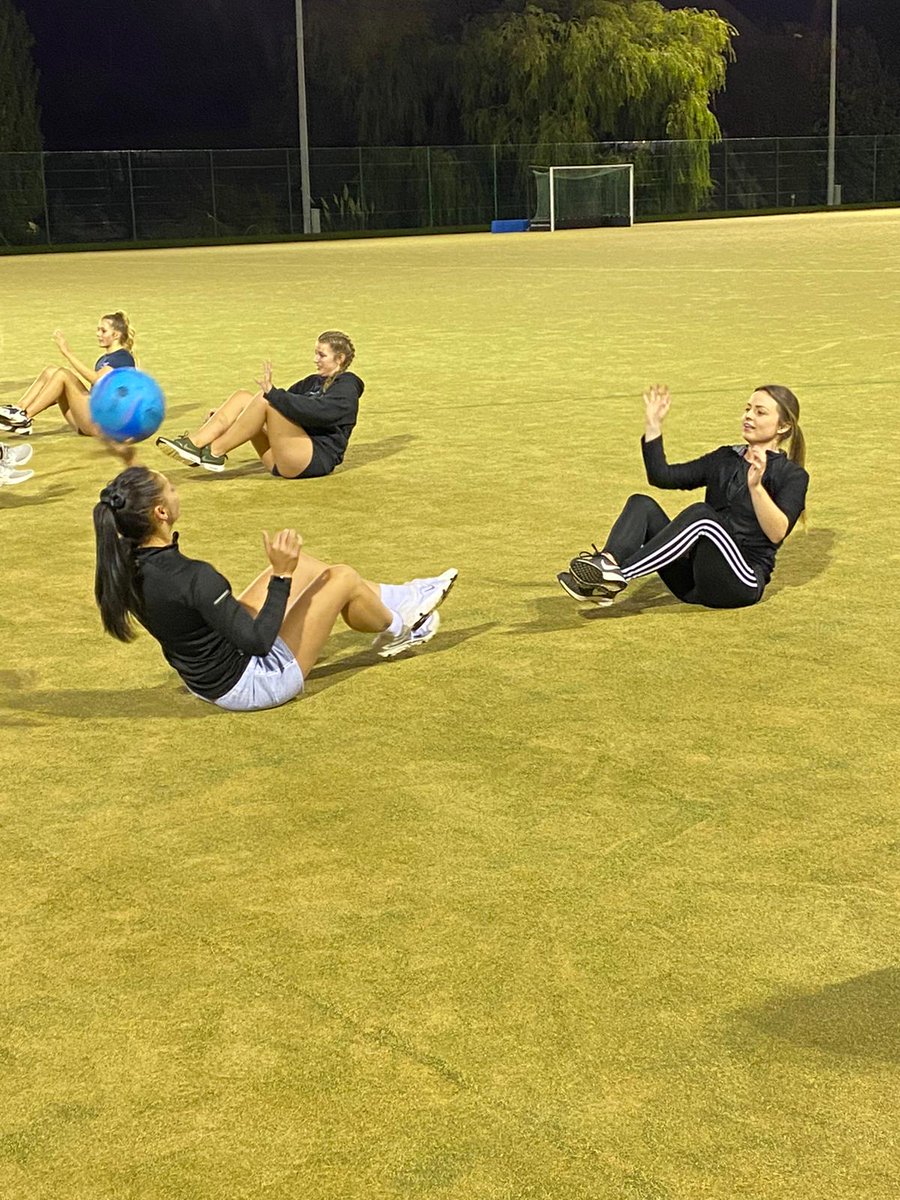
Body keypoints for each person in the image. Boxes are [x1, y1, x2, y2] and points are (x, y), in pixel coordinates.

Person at [92, 465, 457, 711]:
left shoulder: (122, 564)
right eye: (171, 489)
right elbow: (257, 643)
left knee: (308, 566)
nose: (177, 493)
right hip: (251, 683)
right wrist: (281, 576)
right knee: (342, 577)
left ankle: (406, 598)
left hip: (204, 679)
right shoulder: (194, 577)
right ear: (160, 512)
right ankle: (404, 627)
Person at [558, 384, 809, 610]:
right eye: (747, 409)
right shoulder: (725, 457)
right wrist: (653, 426)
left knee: (703, 517)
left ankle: (618, 575)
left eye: (760, 412)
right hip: (692, 582)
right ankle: (605, 566)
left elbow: (777, 532)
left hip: (740, 583)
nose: (748, 416)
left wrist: (756, 488)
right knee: (641, 503)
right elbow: (662, 476)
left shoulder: (792, 475)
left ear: (784, 426)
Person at [156, 331, 362, 477]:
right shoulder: (312, 381)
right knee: (244, 397)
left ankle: (214, 452)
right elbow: (283, 411)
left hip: (311, 460)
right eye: (315, 353)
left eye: (321, 355)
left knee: (266, 399)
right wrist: (234, 416)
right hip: (280, 458)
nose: (315, 359)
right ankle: (195, 445)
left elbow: (320, 413)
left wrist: (273, 394)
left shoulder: (347, 384)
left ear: (339, 358)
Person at [0, 312, 137, 438]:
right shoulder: (104, 358)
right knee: (50, 371)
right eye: (98, 330)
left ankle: (25, 417)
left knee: (63, 374)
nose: (98, 334)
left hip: (102, 425)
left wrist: (67, 352)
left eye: (103, 331)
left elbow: (97, 379)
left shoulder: (123, 358)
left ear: (116, 335)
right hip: (86, 419)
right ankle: (19, 409)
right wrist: (51, 394)